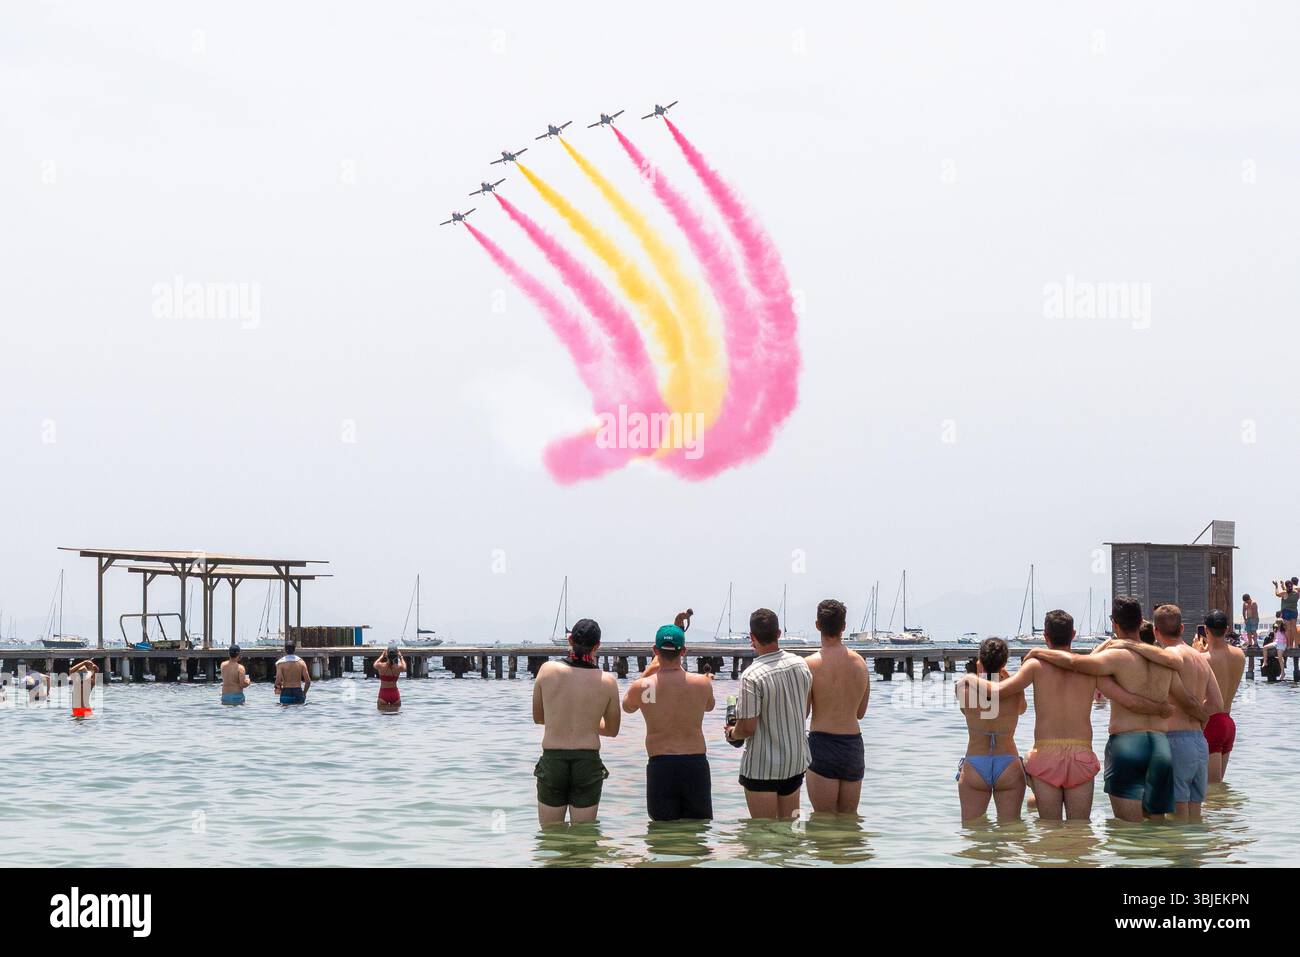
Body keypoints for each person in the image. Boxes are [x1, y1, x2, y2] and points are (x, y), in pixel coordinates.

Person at [971, 610, 1171, 821]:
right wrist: (1159, 708)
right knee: (1081, 827)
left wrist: (969, 680)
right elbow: (1127, 700)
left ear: (1045, 636)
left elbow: (999, 692)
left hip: (1046, 754)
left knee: (1049, 829)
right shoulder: (1089, 670)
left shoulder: (1034, 665)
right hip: (1081, 754)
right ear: (1073, 634)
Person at [1024, 597, 1200, 823]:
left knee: (1128, 828)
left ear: (1115, 625)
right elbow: (1186, 695)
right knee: (1159, 827)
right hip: (1159, 745)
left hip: (1128, 743)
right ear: (1141, 622)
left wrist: (1039, 652)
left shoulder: (1113, 657)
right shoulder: (1163, 660)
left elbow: (1076, 663)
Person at [621, 622, 715, 821]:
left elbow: (628, 707)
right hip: (695, 764)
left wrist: (647, 672)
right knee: (698, 829)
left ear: (655, 651)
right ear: (684, 651)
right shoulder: (701, 683)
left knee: (662, 832)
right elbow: (709, 706)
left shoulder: (646, 686)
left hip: (661, 766)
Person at [725, 607, 813, 820]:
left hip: (762, 767)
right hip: (794, 761)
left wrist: (731, 733)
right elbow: (805, 710)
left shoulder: (752, 676)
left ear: (752, 638)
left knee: (762, 835)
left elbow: (747, 728)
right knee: (789, 832)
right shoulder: (801, 665)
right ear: (779, 633)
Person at [531, 618, 621, 825]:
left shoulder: (547, 670)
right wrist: (586, 722)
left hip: (553, 760)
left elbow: (539, 718)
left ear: (570, 640)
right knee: (585, 836)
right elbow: (612, 729)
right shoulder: (607, 682)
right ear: (597, 646)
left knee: (550, 835)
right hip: (587, 761)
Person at [1148, 604, 1222, 822]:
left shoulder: (1168, 657)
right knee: (1195, 815)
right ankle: (1197, 855)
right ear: (1182, 628)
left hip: (1174, 740)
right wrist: (1199, 718)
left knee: (1177, 817)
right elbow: (1217, 703)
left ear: (1155, 631)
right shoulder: (1200, 657)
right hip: (1199, 741)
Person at [805, 598, 869, 814]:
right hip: (852, 745)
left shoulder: (810, 665)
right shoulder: (860, 663)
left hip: (822, 744)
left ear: (817, 625)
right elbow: (860, 712)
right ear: (843, 627)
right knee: (849, 821)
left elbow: (804, 712)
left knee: (823, 823)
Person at [954, 637, 1026, 823]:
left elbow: (966, 709)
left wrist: (975, 675)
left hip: (976, 763)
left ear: (980, 662)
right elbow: (1022, 709)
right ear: (1004, 663)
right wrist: (1007, 677)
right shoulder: (1016, 690)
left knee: (973, 832)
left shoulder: (964, 688)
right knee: (1011, 831)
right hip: (1008, 762)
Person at [1200, 609, 1244, 785]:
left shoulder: (1202, 658)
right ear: (1226, 629)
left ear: (1205, 629)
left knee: (1209, 789)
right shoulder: (1239, 655)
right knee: (1218, 787)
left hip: (1211, 722)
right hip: (1228, 723)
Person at [375, 643, 404, 711]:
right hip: (394, 693)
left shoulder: (381, 666)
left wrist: (382, 655)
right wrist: (401, 657)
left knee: (383, 716)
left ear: (387, 655)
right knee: (395, 716)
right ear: (396, 656)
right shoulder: (399, 667)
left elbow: (375, 664)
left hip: (383, 693)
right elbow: (404, 667)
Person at [1276, 578, 1299, 648]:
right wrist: (1283, 586)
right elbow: (1291, 589)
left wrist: (1276, 586)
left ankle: (1288, 645)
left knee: (1288, 629)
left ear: (1286, 586)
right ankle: (1296, 645)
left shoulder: (1284, 592)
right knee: (1293, 629)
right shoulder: (1296, 592)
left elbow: (1277, 594)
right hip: (1294, 611)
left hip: (1286, 612)